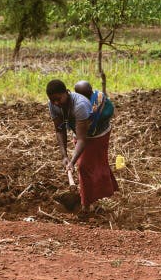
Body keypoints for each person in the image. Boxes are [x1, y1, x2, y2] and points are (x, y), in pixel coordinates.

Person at [47, 79, 117, 211]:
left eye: (58, 99)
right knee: (88, 166)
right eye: (52, 100)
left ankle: (86, 204)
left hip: (98, 135)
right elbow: (59, 129)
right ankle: (90, 198)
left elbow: (82, 139)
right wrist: (64, 156)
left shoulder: (80, 105)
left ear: (67, 93)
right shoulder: (53, 105)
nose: (56, 103)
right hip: (81, 134)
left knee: (84, 165)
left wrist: (72, 162)